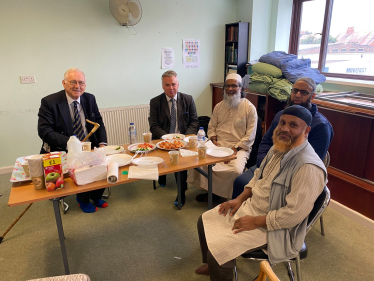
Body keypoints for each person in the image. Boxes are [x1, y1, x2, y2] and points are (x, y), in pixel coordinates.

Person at [195, 105, 327, 281]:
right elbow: (258, 176)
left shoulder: (308, 167)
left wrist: (256, 221)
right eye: (282, 123)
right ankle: (214, 267)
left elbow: (293, 215)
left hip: (276, 229)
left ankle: (218, 264)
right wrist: (239, 199)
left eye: (293, 125)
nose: (285, 128)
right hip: (251, 208)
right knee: (203, 221)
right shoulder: (278, 147)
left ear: (306, 130)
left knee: (221, 250)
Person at [232, 77, 333, 199]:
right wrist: (265, 164)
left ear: (312, 97)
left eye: (304, 92)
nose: (298, 95)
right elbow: (266, 141)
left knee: (267, 195)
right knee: (240, 182)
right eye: (295, 90)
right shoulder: (281, 115)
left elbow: (312, 162)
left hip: (292, 175)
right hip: (267, 164)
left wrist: (276, 170)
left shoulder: (321, 126)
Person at [38, 68, 108, 213]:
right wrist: (73, 143)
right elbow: (44, 131)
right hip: (63, 147)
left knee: (102, 162)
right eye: (73, 82)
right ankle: (82, 200)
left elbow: (98, 121)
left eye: (81, 83)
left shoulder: (90, 98)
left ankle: (95, 195)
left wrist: (102, 144)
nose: (78, 86)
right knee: (79, 167)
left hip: (89, 144)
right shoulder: (49, 102)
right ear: (64, 83)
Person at [187, 73, 257, 201]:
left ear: (241, 88)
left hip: (239, 147)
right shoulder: (219, 106)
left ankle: (228, 197)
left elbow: (250, 135)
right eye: (227, 86)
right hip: (217, 144)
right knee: (198, 160)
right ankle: (211, 192)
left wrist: (234, 149)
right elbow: (212, 127)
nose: (230, 89)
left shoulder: (249, 108)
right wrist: (214, 140)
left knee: (235, 170)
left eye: (234, 86)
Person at [149, 70, 199, 207]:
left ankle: (181, 193)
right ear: (162, 86)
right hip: (163, 140)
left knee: (180, 164)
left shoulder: (188, 99)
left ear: (178, 84)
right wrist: (168, 139)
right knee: (165, 159)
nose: (171, 88)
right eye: (167, 85)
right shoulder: (155, 102)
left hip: (183, 140)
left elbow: (194, 122)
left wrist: (184, 138)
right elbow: (153, 126)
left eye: (173, 84)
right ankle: (162, 175)